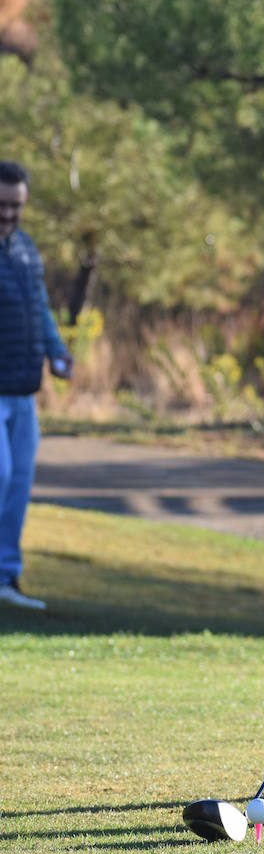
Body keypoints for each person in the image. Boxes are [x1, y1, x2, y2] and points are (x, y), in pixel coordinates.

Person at [0, 161, 72, 611]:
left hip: (23, 390)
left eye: (16, 206)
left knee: (18, 485)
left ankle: (5, 578)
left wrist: (57, 350)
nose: (8, 214)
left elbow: (41, 308)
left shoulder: (25, 250)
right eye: (1, 205)